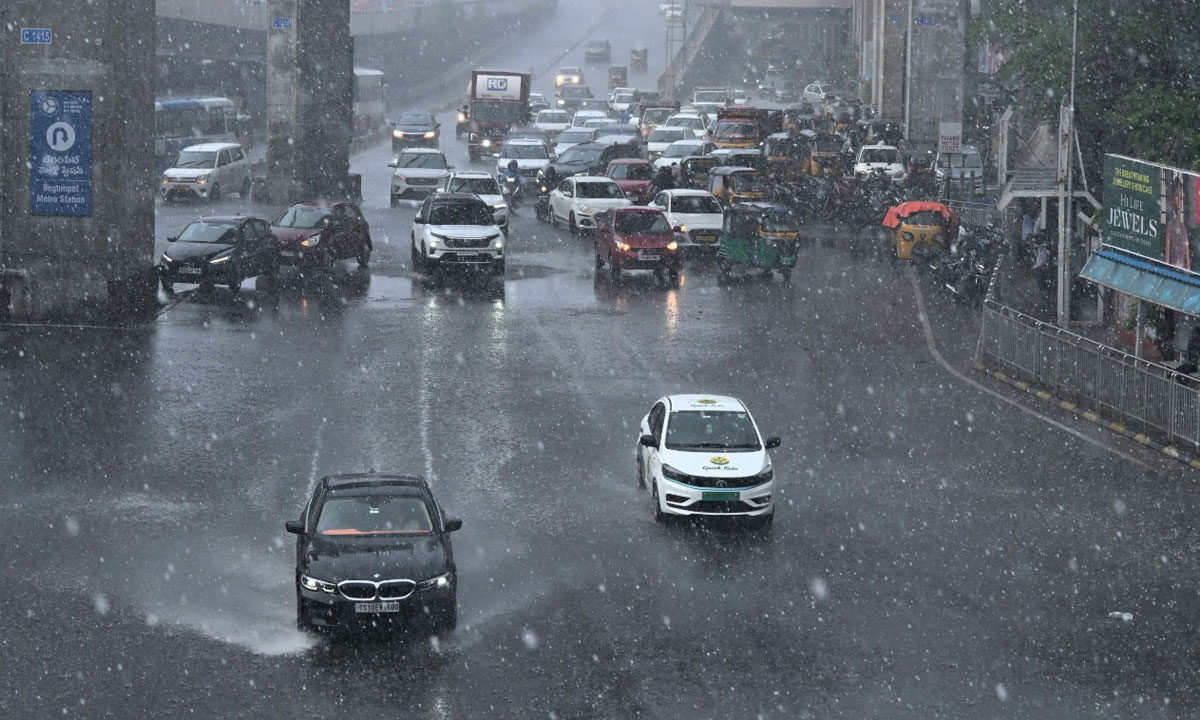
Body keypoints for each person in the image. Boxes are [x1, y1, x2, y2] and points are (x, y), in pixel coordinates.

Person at [1164, 175, 1191, 270]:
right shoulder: (1170, 226)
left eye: (1180, 197)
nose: (1179, 201)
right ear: (1172, 200)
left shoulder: (1183, 228)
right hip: (1173, 270)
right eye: (1176, 196)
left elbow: (1187, 258)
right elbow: (1167, 256)